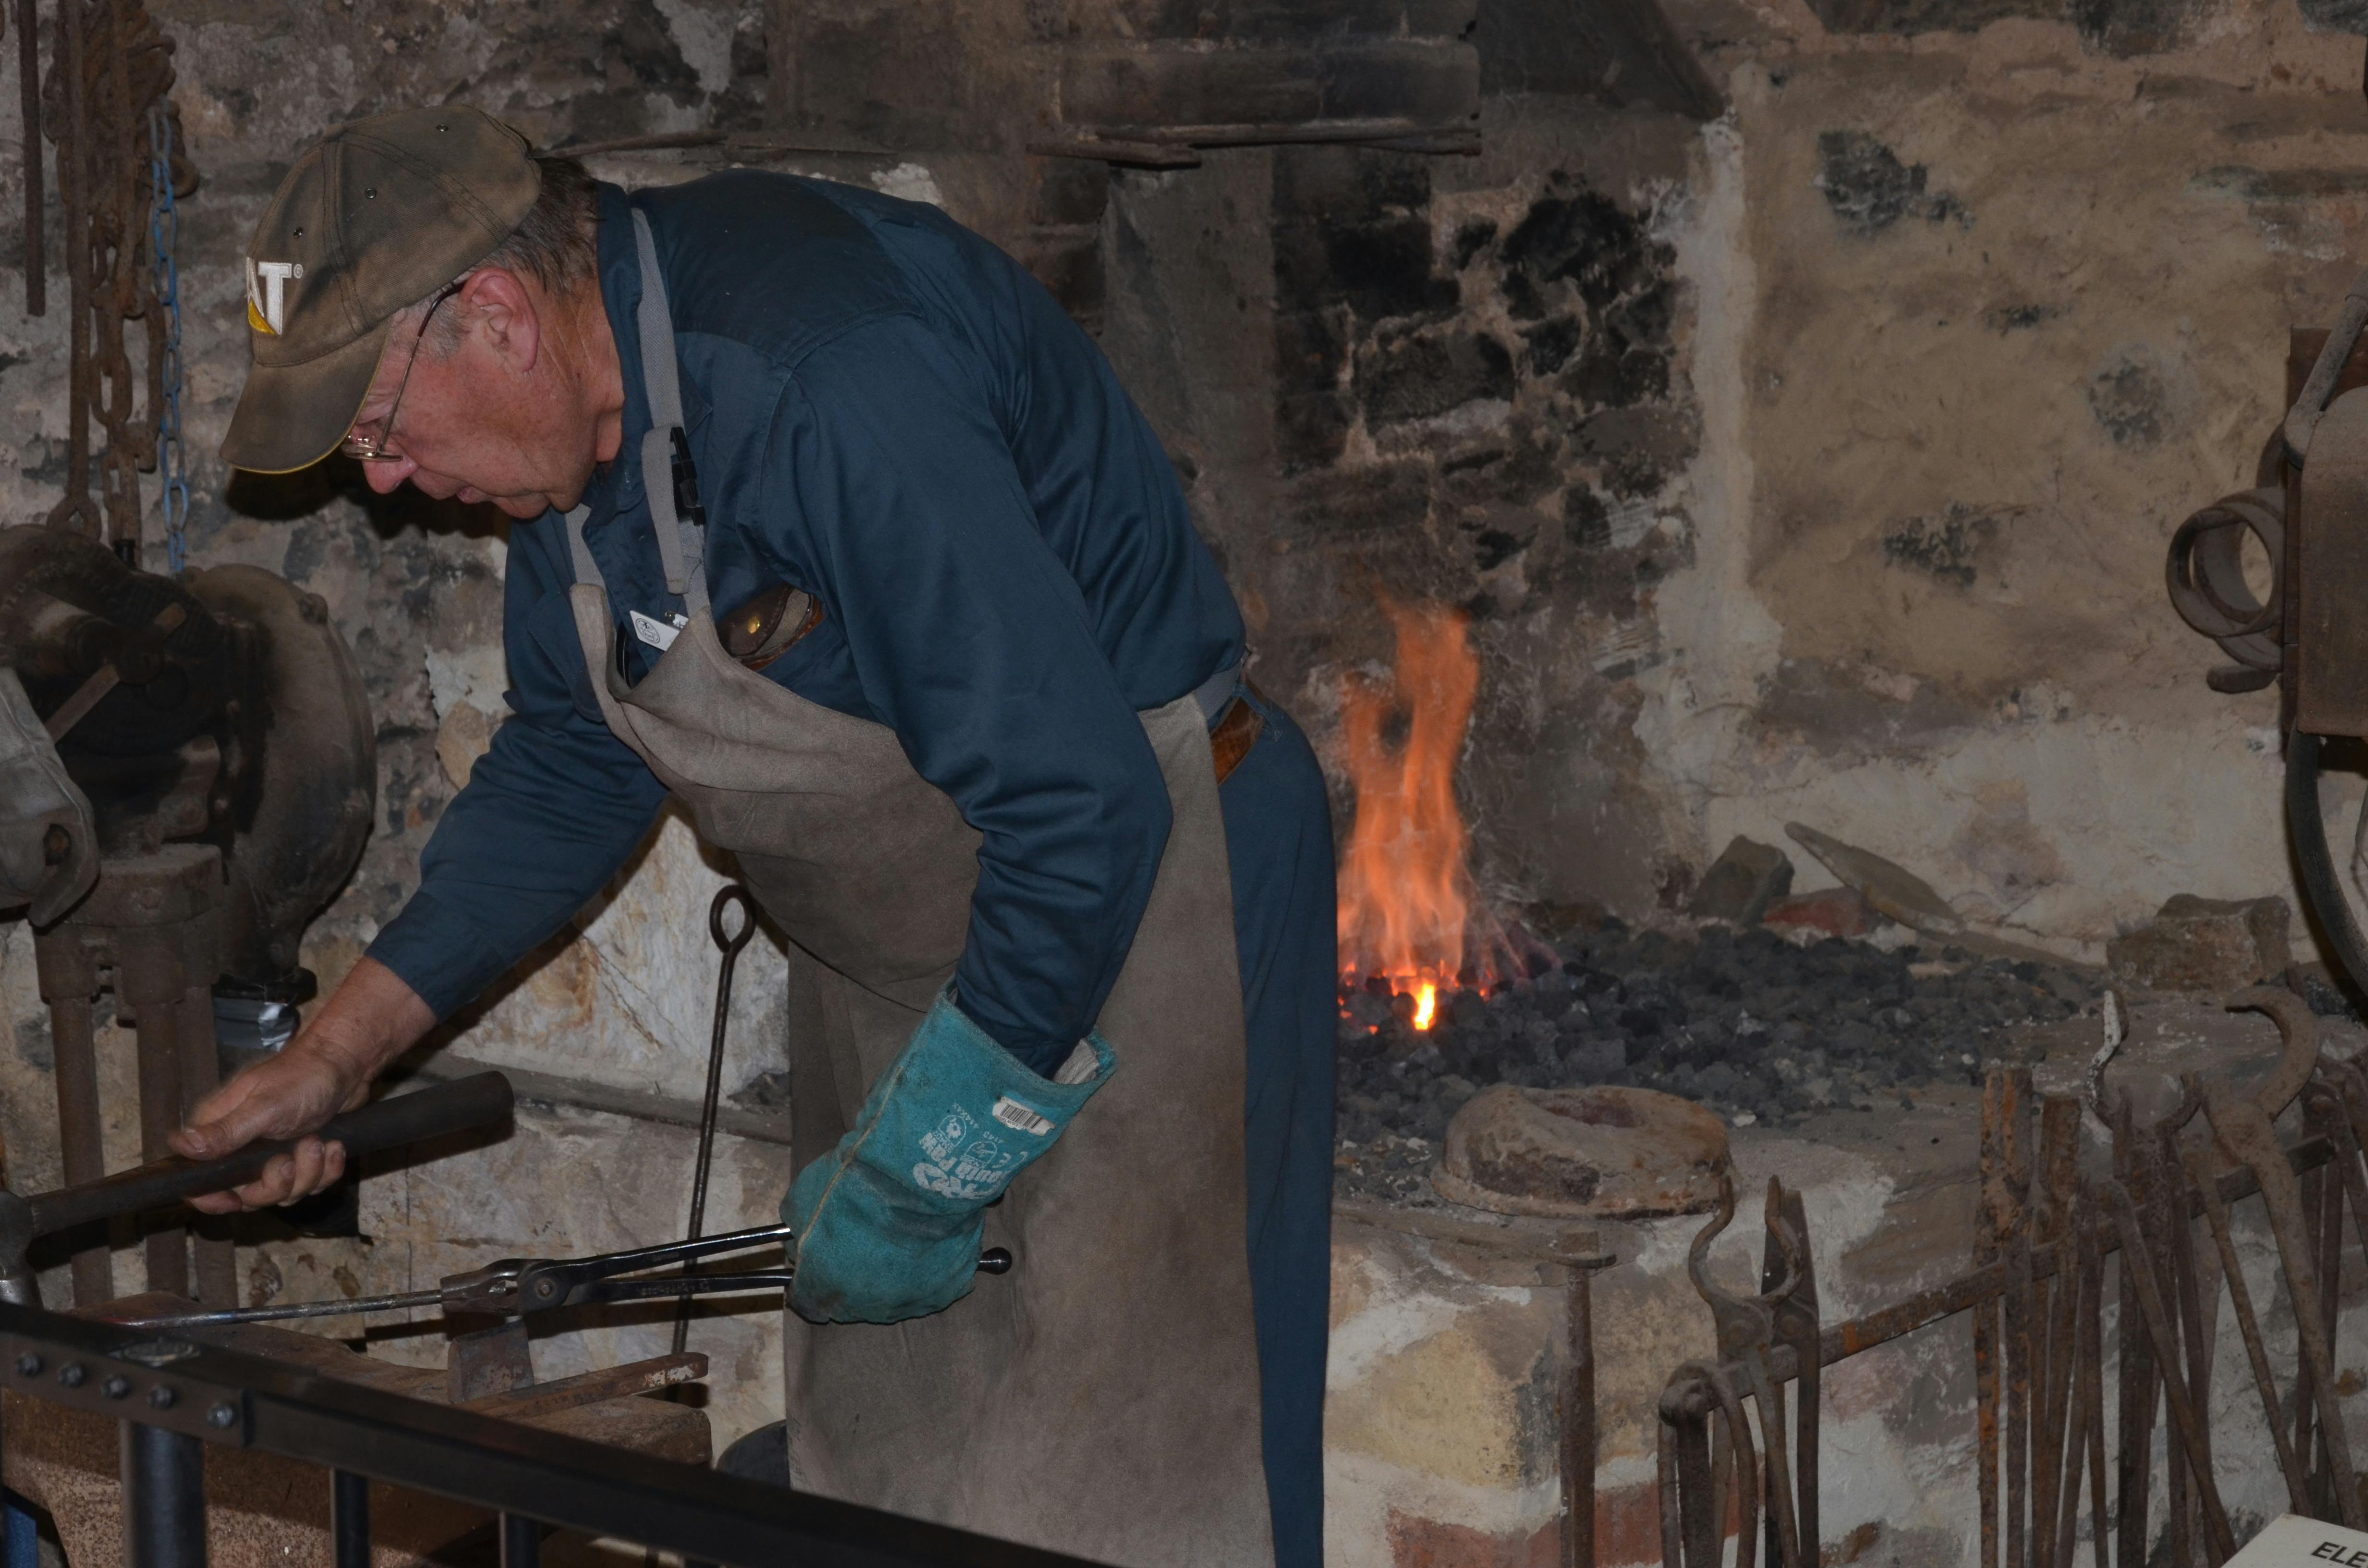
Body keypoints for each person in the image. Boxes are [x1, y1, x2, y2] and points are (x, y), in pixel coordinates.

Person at [175, 104, 1336, 1566]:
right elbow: (569, 767)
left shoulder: (827, 378)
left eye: (379, 426)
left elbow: (1078, 806)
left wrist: (925, 1161)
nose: (388, 478)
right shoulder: (574, 450)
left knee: (1158, 1485)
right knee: (896, 1478)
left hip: (1161, 917)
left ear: (499, 317)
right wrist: (335, 1058)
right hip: (916, 971)